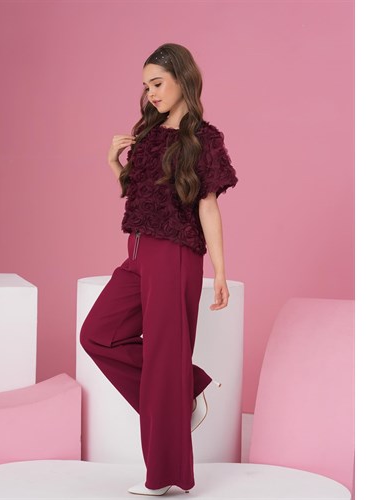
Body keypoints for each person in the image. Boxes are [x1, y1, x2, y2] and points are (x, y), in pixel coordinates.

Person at [79, 42, 238, 496]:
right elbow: (140, 195)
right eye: (146, 85)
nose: (150, 93)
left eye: (158, 83)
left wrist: (220, 270)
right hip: (138, 254)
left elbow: (207, 206)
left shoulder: (203, 139)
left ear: (182, 80)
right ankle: (187, 390)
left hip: (175, 254)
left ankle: (165, 476)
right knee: (98, 335)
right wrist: (113, 163)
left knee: (164, 363)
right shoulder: (147, 135)